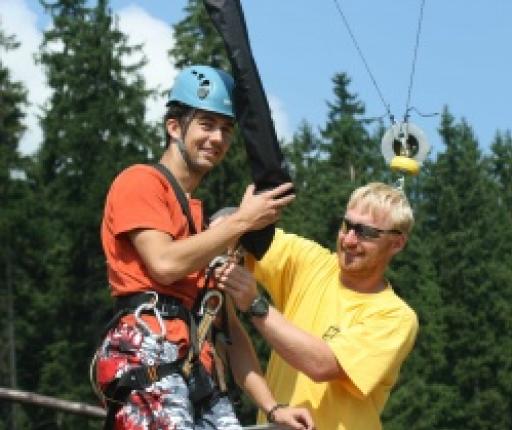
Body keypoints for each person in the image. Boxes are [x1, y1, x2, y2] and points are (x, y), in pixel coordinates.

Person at [94, 64, 314, 430]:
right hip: (148, 357)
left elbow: (227, 327)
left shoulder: (201, 221)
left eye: (226, 129)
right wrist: (242, 222)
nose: (217, 138)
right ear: (174, 127)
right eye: (207, 125)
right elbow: (163, 264)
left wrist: (273, 409)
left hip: (196, 371)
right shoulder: (140, 183)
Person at [216, 182, 419, 430]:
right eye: (347, 225)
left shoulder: (395, 317)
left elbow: (322, 365)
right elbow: (228, 225)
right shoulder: (310, 262)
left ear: (397, 243)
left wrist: (255, 305)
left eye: (366, 232)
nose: (350, 240)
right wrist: (237, 221)